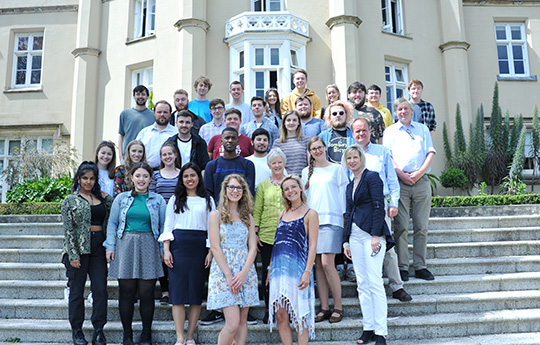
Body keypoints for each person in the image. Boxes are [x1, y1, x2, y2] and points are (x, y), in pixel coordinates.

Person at [104, 162, 167, 345]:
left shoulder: (158, 200)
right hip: (126, 245)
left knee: (147, 293)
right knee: (127, 292)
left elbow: (164, 227)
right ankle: (127, 334)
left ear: (150, 179)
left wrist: (163, 250)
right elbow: (112, 223)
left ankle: (146, 334)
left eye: (145, 176)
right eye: (138, 176)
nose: (141, 179)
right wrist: (110, 246)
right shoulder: (121, 199)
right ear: (132, 178)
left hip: (149, 243)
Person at [351, 118, 412, 302]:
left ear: (370, 131)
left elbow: (392, 180)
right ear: (353, 134)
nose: (360, 134)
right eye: (357, 131)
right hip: (358, 208)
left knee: (386, 247)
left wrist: (393, 203)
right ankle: (366, 285)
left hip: (379, 207)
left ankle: (396, 286)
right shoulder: (350, 154)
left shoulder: (382, 152)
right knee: (362, 248)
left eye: (364, 130)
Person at [343, 145, 395, 345]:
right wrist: (345, 240)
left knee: (374, 282)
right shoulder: (349, 185)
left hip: (371, 236)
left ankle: (381, 332)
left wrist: (375, 235)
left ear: (361, 158)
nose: (352, 161)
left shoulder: (372, 177)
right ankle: (368, 328)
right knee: (362, 284)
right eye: (349, 159)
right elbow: (348, 212)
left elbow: (378, 206)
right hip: (354, 238)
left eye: (355, 157)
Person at [159, 162, 215, 345]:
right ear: (181, 179)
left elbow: (211, 228)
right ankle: (180, 338)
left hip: (199, 248)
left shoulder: (208, 199)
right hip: (178, 247)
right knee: (178, 295)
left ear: (199, 177)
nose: (190, 179)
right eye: (186, 176)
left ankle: (190, 336)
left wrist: (210, 251)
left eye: (193, 175)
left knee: (195, 294)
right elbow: (168, 225)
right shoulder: (175, 199)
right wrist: (166, 250)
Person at [383, 97, 436, 282]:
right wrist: (401, 174)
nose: (403, 112)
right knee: (401, 226)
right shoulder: (389, 132)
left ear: (411, 111)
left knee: (422, 226)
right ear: (396, 112)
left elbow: (430, 152)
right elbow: (388, 157)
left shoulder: (422, 129)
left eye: (406, 108)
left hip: (421, 181)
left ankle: (420, 266)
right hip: (400, 182)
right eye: (399, 109)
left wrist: (419, 173)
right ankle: (402, 267)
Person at [62, 161, 112, 345]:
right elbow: (68, 230)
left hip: (98, 247)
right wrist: (73, 255)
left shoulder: (104, 199)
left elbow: (111, 221)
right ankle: (77, 331)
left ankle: (99, 330)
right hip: (78, 249)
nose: (88, 182)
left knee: (100, 290)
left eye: (92, 178)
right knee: (76, 292)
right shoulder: (70, 200)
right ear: (78, 179)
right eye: (85, 178)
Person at [207, 174, 259, 345]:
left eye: (239, 188)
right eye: (231, 187)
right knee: (232, 324)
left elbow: (252, 247)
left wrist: (244, 273)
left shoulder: (248, 217)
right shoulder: (216, 215)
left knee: (243, 321)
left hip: (245, 271)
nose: (235, 191)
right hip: (224, 271)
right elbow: (215, 247)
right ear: (225, 189)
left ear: (244, 191)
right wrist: (229, 275)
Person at [301, 137, 348, 324]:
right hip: (313, 222)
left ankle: (338, 306)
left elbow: (344, 196)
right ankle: (324, 308)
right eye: (313, 149)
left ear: (325, 148)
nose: (317, 151)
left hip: (332, 220)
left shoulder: (336, 169)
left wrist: (345, 220)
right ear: (310, 152)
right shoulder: (306, 172)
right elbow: (305, 200)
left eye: (320, 147)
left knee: (328, 263)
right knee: (318, 265)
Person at [268, 174, 318, 345]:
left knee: (299, 316)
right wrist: (269, 270)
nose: (290, 191)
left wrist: (307, 272)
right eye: (286, 189)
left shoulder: (311, 214)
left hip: (298, 271)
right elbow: (277, 244)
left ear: (300, 188)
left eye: (293, 187)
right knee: (281, 316)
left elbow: (313, 246)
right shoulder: (281, 214)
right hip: (278, 271)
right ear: (283, 193)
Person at [252, 147, 287, 323]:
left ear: (284, 163)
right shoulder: (263, 185)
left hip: (288, 235)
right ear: (269, 165)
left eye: (280, 162)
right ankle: (269, 309)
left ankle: (285, 309)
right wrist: (256, 232)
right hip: (267, 235)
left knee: (286, 274)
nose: (277, 165)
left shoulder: (291, 181)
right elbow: (257, 209)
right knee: (268, 273)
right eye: (274, 162)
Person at [149, 141, 181, 305]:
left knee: (176, 257)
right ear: (161, 157)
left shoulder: (182, 174)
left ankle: (176, 289)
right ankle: (165, 291)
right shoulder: (155, 175)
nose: (167, 156)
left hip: (179, 220)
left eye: (170, 153)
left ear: (175, 155)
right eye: (164, 154)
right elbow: (152, 196)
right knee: (162, 256)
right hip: (161, 221)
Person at [204, 127, 256, 202]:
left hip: (240, 210)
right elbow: (208, 192)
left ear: (238, 141)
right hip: (218, 209)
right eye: (227, 138)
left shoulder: (248, 165)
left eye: (233, 138)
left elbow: (249, 191)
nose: (230, 140)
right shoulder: (211, 165)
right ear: (221, 141)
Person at [136, 100, 178, 169]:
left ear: (170, 114)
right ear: (154, 113)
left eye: (165, 112)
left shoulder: (176, 133)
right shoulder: (144, 133)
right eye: (159, 112)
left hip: (169, 172)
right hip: (147, 172)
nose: (162, 115)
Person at [118, 85, 155, 162]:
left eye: (143, 94)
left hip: (146, 158)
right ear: (134, 97)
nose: (140, 96)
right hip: (127, 158)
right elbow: (121, 135)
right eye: (138, 94)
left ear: (148, 97)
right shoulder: (125, 114)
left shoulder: (153, 115)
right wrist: (121, 156)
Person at [272, 110, 310, 176]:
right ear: (284, 123)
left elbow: (310, 164)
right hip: (284, 181)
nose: (291, 123)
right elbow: (274, 164)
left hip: (302, 180)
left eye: (294, 120)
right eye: (288, 120)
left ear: (299, 123)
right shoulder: (277, 143)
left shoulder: (307, 140)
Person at [319, 100, 355, 164]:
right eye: (334, 113)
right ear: (329, 117)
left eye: (341, 113)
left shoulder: (354, 135)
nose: (338, 115)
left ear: (346, 115)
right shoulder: (322, 136)